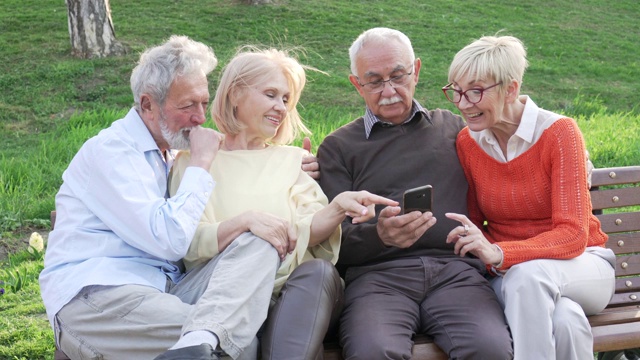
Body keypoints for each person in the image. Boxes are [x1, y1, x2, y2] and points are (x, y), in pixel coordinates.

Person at [40, 36, 304, 360]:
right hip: (100, 297)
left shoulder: (168, 156)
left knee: (258, 240)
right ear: (148, 105)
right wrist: (202, 164)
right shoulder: (111, 151)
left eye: (204, 103)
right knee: (237, 346)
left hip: (165, 292)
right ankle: (201, 342)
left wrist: (289, 168)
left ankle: (200, 340)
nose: (200, 117)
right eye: (187, 106)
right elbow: (168, 241)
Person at [168, 47, 398, 360]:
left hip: (291, 297)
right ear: (235, 94)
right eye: (271, 94)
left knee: (317, 273)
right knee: (258, 246)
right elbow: (189, 242)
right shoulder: (196, 160)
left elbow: (309, 231)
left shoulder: (295, 161)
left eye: (286, 100)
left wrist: (339, 205)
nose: (281, 108)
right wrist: (247, 225)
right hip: (216, 296)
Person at [317, 27, 513, 359]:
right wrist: (380, 236)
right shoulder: (338, 148)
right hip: (377, 279)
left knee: (489, 348)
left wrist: (577, 158)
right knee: (373, 352)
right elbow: (330, 243)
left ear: (417, 71)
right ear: (356, 84)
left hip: (455, 272)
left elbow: (513, 150)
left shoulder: (456, 129)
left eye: (398, 76)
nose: (389, 90)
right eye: (374, 81)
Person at [442, 35, 616, 360]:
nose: (464, 103)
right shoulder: (469, 142)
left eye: (476, 91)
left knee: (528, 276)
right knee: (566, 321)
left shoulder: (559, 134)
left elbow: (573, 234)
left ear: (511, 88)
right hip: (510, 276)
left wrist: (498, 252)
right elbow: (475, 219)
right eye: (457, 91)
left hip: (582, 266)